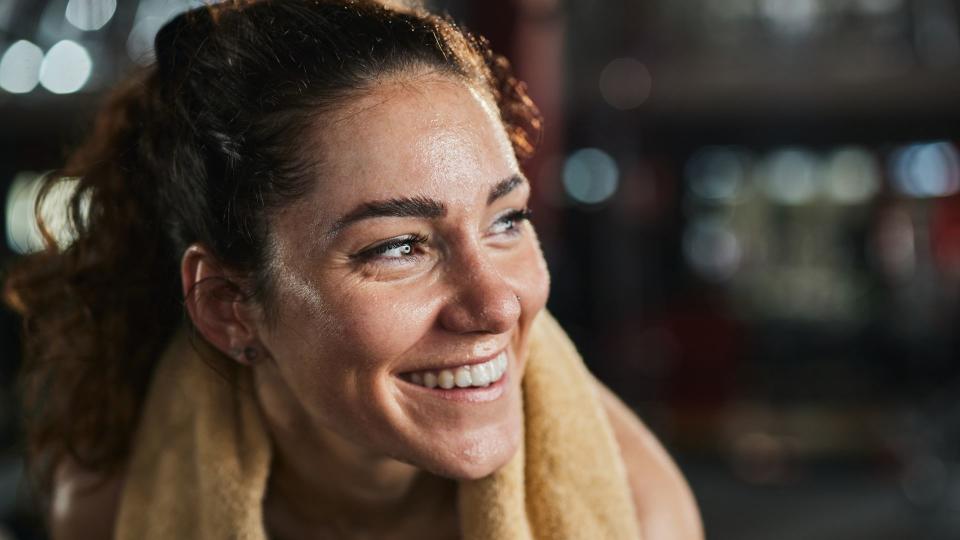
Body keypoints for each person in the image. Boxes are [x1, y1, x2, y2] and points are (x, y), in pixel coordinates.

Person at [3, 1, 702, 538]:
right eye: (398, 246)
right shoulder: (112, 507)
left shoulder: (640, 514)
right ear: (229, 307)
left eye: (506, 221)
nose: (495, 306)